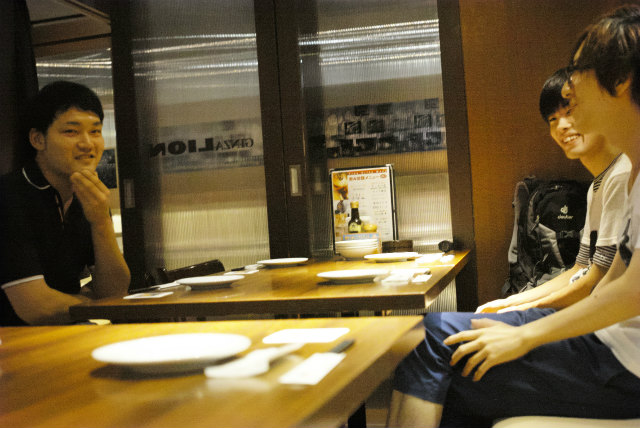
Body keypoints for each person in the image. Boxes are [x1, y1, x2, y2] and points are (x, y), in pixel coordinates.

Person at [387, 6, 640, 427]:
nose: (569, 87)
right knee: (444, 354)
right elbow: (607, 281)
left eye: (578, 71)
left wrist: (524, 334)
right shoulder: (630, 174)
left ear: (621, 80)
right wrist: (518, 317)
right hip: (610, 349)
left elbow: (630, 293)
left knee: (435, 340)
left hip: (623, 368)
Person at [476, 68, 630, 314]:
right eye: (552, 119)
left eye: (570, 112)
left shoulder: (622, 175)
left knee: (435, 328)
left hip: (608, 324)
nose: (562, 127)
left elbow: (597, 282)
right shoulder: (597, 185)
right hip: (592, 312)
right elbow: (580, 269)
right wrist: (509, 303)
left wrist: (526, 309)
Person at [0, 81, 130, 326]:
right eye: (71, 131)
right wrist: (91, 302)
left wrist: (101, 220)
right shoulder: (9, 196)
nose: (87, 143)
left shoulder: (87, 194)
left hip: (66, 332)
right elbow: (37, 307)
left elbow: (115, 291)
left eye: (95, 131)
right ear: (38, 139)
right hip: (13, 340)